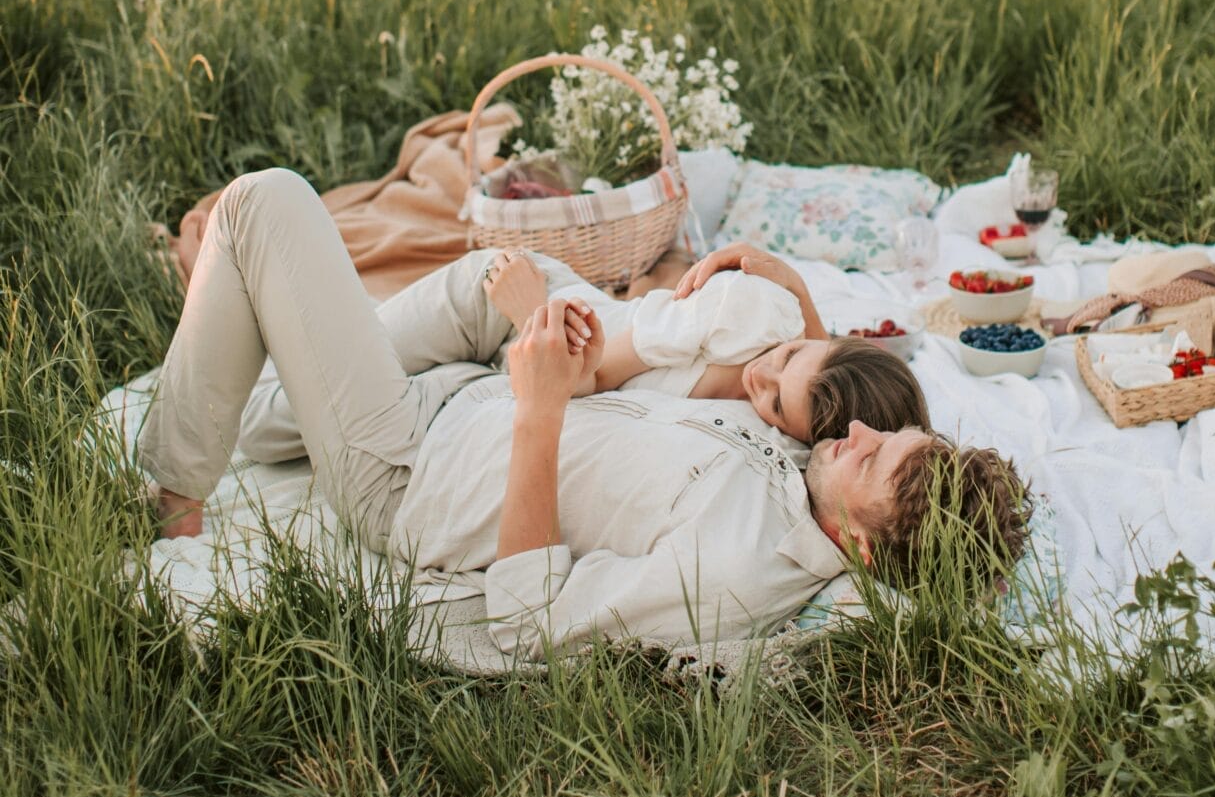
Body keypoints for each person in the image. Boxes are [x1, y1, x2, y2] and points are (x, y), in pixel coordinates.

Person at [140, 169, 1031, 656]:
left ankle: (171, 490)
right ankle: (262, 404)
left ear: (864, 549)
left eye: (873, 460)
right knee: (270, 406)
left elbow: (529, 622)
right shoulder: (812, 478)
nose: (857, 437)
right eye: (887, 434)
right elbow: (837, 383)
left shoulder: (734, 570)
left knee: (264, 204)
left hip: (406, 473)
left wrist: (540, 410)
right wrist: (784, 283)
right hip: (462, 394)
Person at [231, 236, 929, 467]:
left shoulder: (801, 437)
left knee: (334, 406)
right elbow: (590, 375)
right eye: (783, 360)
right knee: (267, 426)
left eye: (778, 405)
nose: (760, 381)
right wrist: (797, 301)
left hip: (516, 365)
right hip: (516, 303)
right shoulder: (735, 327)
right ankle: (255, 277)